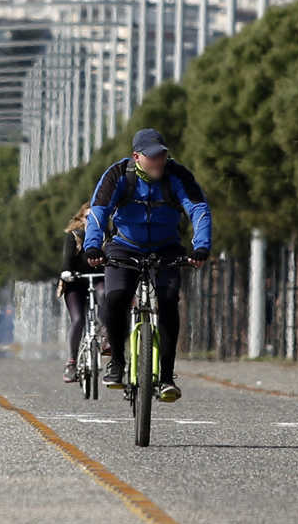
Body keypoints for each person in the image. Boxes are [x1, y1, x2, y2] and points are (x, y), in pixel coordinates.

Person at [81, 129, 213, 403]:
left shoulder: (178, 175)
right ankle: (117, 361)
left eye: (162, 155)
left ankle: (166, 376)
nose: (158, 162)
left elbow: (198, 209)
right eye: (152, 156)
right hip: (125, 245)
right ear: (136, 156)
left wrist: (201, 246)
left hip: (166, 247)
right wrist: (92, 246)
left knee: (167, 301)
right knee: (115, 297)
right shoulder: (118, 174)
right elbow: (98, 211)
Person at [56, 208, 95, 383]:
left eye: (96, 217)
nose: (92, 220)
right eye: (88, 217)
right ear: (80, 218)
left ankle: (105, 336)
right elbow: (66, 260)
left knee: (106, 297)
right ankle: (71, 361)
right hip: (76, 284)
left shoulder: (107, 235)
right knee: (78, 319)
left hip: (98, 280)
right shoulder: (74, 236)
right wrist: (66, 272)